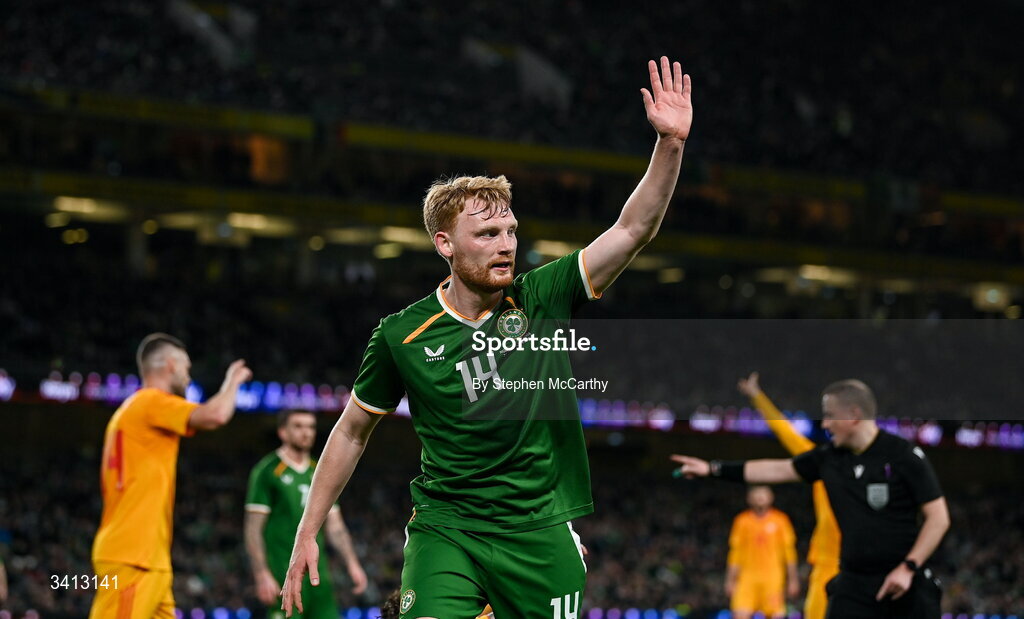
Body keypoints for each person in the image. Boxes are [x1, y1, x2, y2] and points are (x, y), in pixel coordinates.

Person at [281, 56, 693, 618]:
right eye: (488, 233)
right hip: (448, 530)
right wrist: (309, 529)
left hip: (538, 530)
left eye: (511, 231)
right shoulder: (402, 335)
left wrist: (669, 145)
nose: (506, 244)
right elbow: (352, 431)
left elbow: (632, 228)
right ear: (445, 244)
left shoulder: (542, 296)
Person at [673, 379, 950, 619]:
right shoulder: (828, 459)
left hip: (903, 581)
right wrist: (712, 469)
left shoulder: (903, 456)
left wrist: (908, 567)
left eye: (830, 416)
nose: (825, 424)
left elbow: (938, 518)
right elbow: (777, 467)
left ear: (854, 415)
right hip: (847, 577)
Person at [90, 333, 252, 619]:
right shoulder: (150, 402)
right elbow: (214, 415)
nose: (189, 377)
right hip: (132, 557)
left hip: (150, 559)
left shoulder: (136, 411)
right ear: (170, 365)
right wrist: (233, 382)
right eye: (186, 368)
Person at [245, 410, 368, 619]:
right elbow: (253, 529)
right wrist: (261, 574)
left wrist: (352, 564)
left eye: (310, 427)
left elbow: (335, 526)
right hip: (283, 574)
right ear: (283, 432)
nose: (306, 432)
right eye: (299, 426)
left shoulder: (319, 470)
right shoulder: (267, 471)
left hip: (317, 576)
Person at [738, 371, 839, 619]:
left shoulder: (879, 465)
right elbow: (787, 433)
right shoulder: (822, 461)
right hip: (828, 562)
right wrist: (757, 398)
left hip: (865, 565)